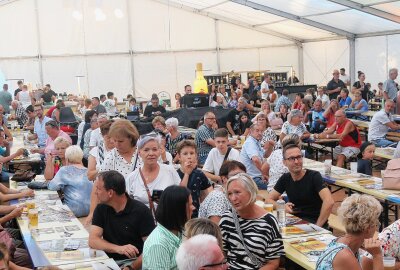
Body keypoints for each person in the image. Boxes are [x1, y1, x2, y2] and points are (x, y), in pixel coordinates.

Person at [89, 171, 155, 269]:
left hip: (135, 262)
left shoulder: (141, 212)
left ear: (110, 193)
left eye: (98, 189)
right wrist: (118, 249)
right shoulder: (101, 208)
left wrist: (131, 267)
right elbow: (93, 240)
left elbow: (151, 249)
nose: (95, 192)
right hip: (109, 261)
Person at [220, 173, 284, 269]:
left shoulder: (268, 222)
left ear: (251, 192)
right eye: (229, 194)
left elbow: (273, 263)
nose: (233, 198)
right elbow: (222, 254)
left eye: (237, 192)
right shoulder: (227, 218)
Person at [267, 143, 334, 227]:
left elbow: (329, 201)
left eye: (299, 157)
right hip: (296, 222)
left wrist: (317, 227)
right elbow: (269, 199)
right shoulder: (285, 178)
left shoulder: (314, 176)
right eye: (292, 158)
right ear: (284, 162)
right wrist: (282, 207)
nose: (296, 161)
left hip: (314, 223)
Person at [317, 194, 383, 270]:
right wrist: (377, 255)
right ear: (368, 227)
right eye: (376, 224)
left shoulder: (341, 241)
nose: (376, 228)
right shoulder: (345, 256)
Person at [142, 185, 195, 269]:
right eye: (190, 204)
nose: (193, 208)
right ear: (178, 209)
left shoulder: (181, 231)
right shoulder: (158, 244)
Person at [126, 136, 180, 211]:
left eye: (154, 149)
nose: (151, 153)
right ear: (139, 153)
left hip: (166, 220)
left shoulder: (169, 171)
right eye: (146, 150)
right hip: (141, 221)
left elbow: (181, 194)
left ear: (159, 151)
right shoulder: (132, 177)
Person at [47, 146, 93, 217]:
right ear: (81, 158)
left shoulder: (65, 170)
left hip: (73, 211)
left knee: (47, 206)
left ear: (67, 159)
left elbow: (52, 187)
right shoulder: (88, 171)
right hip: (90, 210)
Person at [176, 140, 212, 218]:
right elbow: (180, 194)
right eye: (185, 154)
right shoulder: (175, 174)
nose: (189, 156)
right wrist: (187, 174)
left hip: (196, 215)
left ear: (196, 155)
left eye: (192, 153)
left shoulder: (199, 174)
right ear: (179, 157)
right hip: (180, 215)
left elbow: (208, 194)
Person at [240, 123, 274, 190]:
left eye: (261, 131)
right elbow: (255, 159)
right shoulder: (250, 142)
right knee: (276, 188)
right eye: (257, 131)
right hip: (252, 179)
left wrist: (271, 146)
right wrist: (264, 173)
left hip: (257, 177)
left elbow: (265, 155)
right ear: (250, 132)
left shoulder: (256, 142)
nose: (260, 133)